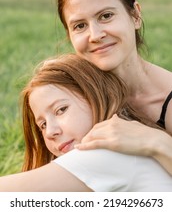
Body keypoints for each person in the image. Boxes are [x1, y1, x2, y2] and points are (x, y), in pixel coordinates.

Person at [56, 0, 172, 175]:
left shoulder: (167, 101)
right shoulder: (69, 98)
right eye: (80, 26)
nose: (95, 35)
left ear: (135, 15)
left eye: (106, 16)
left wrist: (157, 142)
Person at [0, 54, 172, 192]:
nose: (50, 131)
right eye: (42, 125)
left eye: (61, 110)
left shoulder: (107, 153)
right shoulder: (128, 141)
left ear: (94, 96)